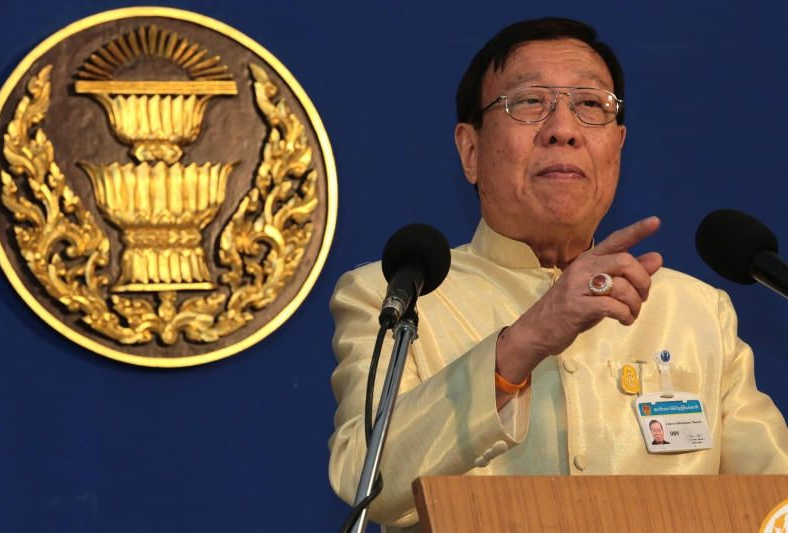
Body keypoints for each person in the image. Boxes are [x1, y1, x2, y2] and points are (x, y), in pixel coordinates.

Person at [328, 17, 788, 531]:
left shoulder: (695, 312)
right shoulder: (398, 294)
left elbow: (777, 505)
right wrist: (523, 342)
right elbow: (364, 479)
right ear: (470, 151)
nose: (563, 129)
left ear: (618, 146)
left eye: (591, 105)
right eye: (529, 102)